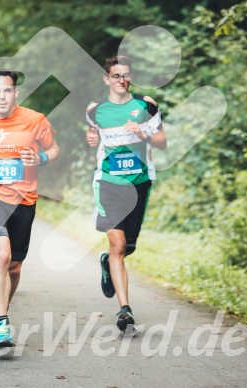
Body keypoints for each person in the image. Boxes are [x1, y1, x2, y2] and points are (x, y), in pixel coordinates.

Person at [0, 70, 60, 348]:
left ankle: (0, 306)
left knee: (15, 267)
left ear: (16, 93)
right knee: (1, 256)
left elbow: (54, 149)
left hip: (24, 200)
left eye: (7, 91)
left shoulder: (35, 120)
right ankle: (1, 324)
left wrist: (40, 157)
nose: (2, 96)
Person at [85, 56, 167, 332]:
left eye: (125, 75)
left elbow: (162, 142)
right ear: (106, 79)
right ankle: (125, 311)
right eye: (115, 75)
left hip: (140, 182)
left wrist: (143, 135)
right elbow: (93, 134)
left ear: (130, 77)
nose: (121, 80)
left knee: (128, 246)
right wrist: (91, 139)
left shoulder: (146, 105)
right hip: (108, 183)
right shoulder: (96, 110)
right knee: (117, 244)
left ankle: (107, 263)